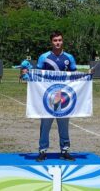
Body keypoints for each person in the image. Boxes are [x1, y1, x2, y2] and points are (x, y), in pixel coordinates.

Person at [36, 30, 77, 162]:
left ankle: (65, 150)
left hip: (64, 96)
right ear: (51, 42)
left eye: (59, 40)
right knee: (45, 125)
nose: (57, 43)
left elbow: (75, 77)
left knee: (64, 125)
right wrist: (26, 74)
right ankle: (42, 151)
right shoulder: (44, 57)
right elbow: (37, 75)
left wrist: (87, 76)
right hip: (48, 96)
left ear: (62, 41)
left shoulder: (69, 57)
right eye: (55, 40)